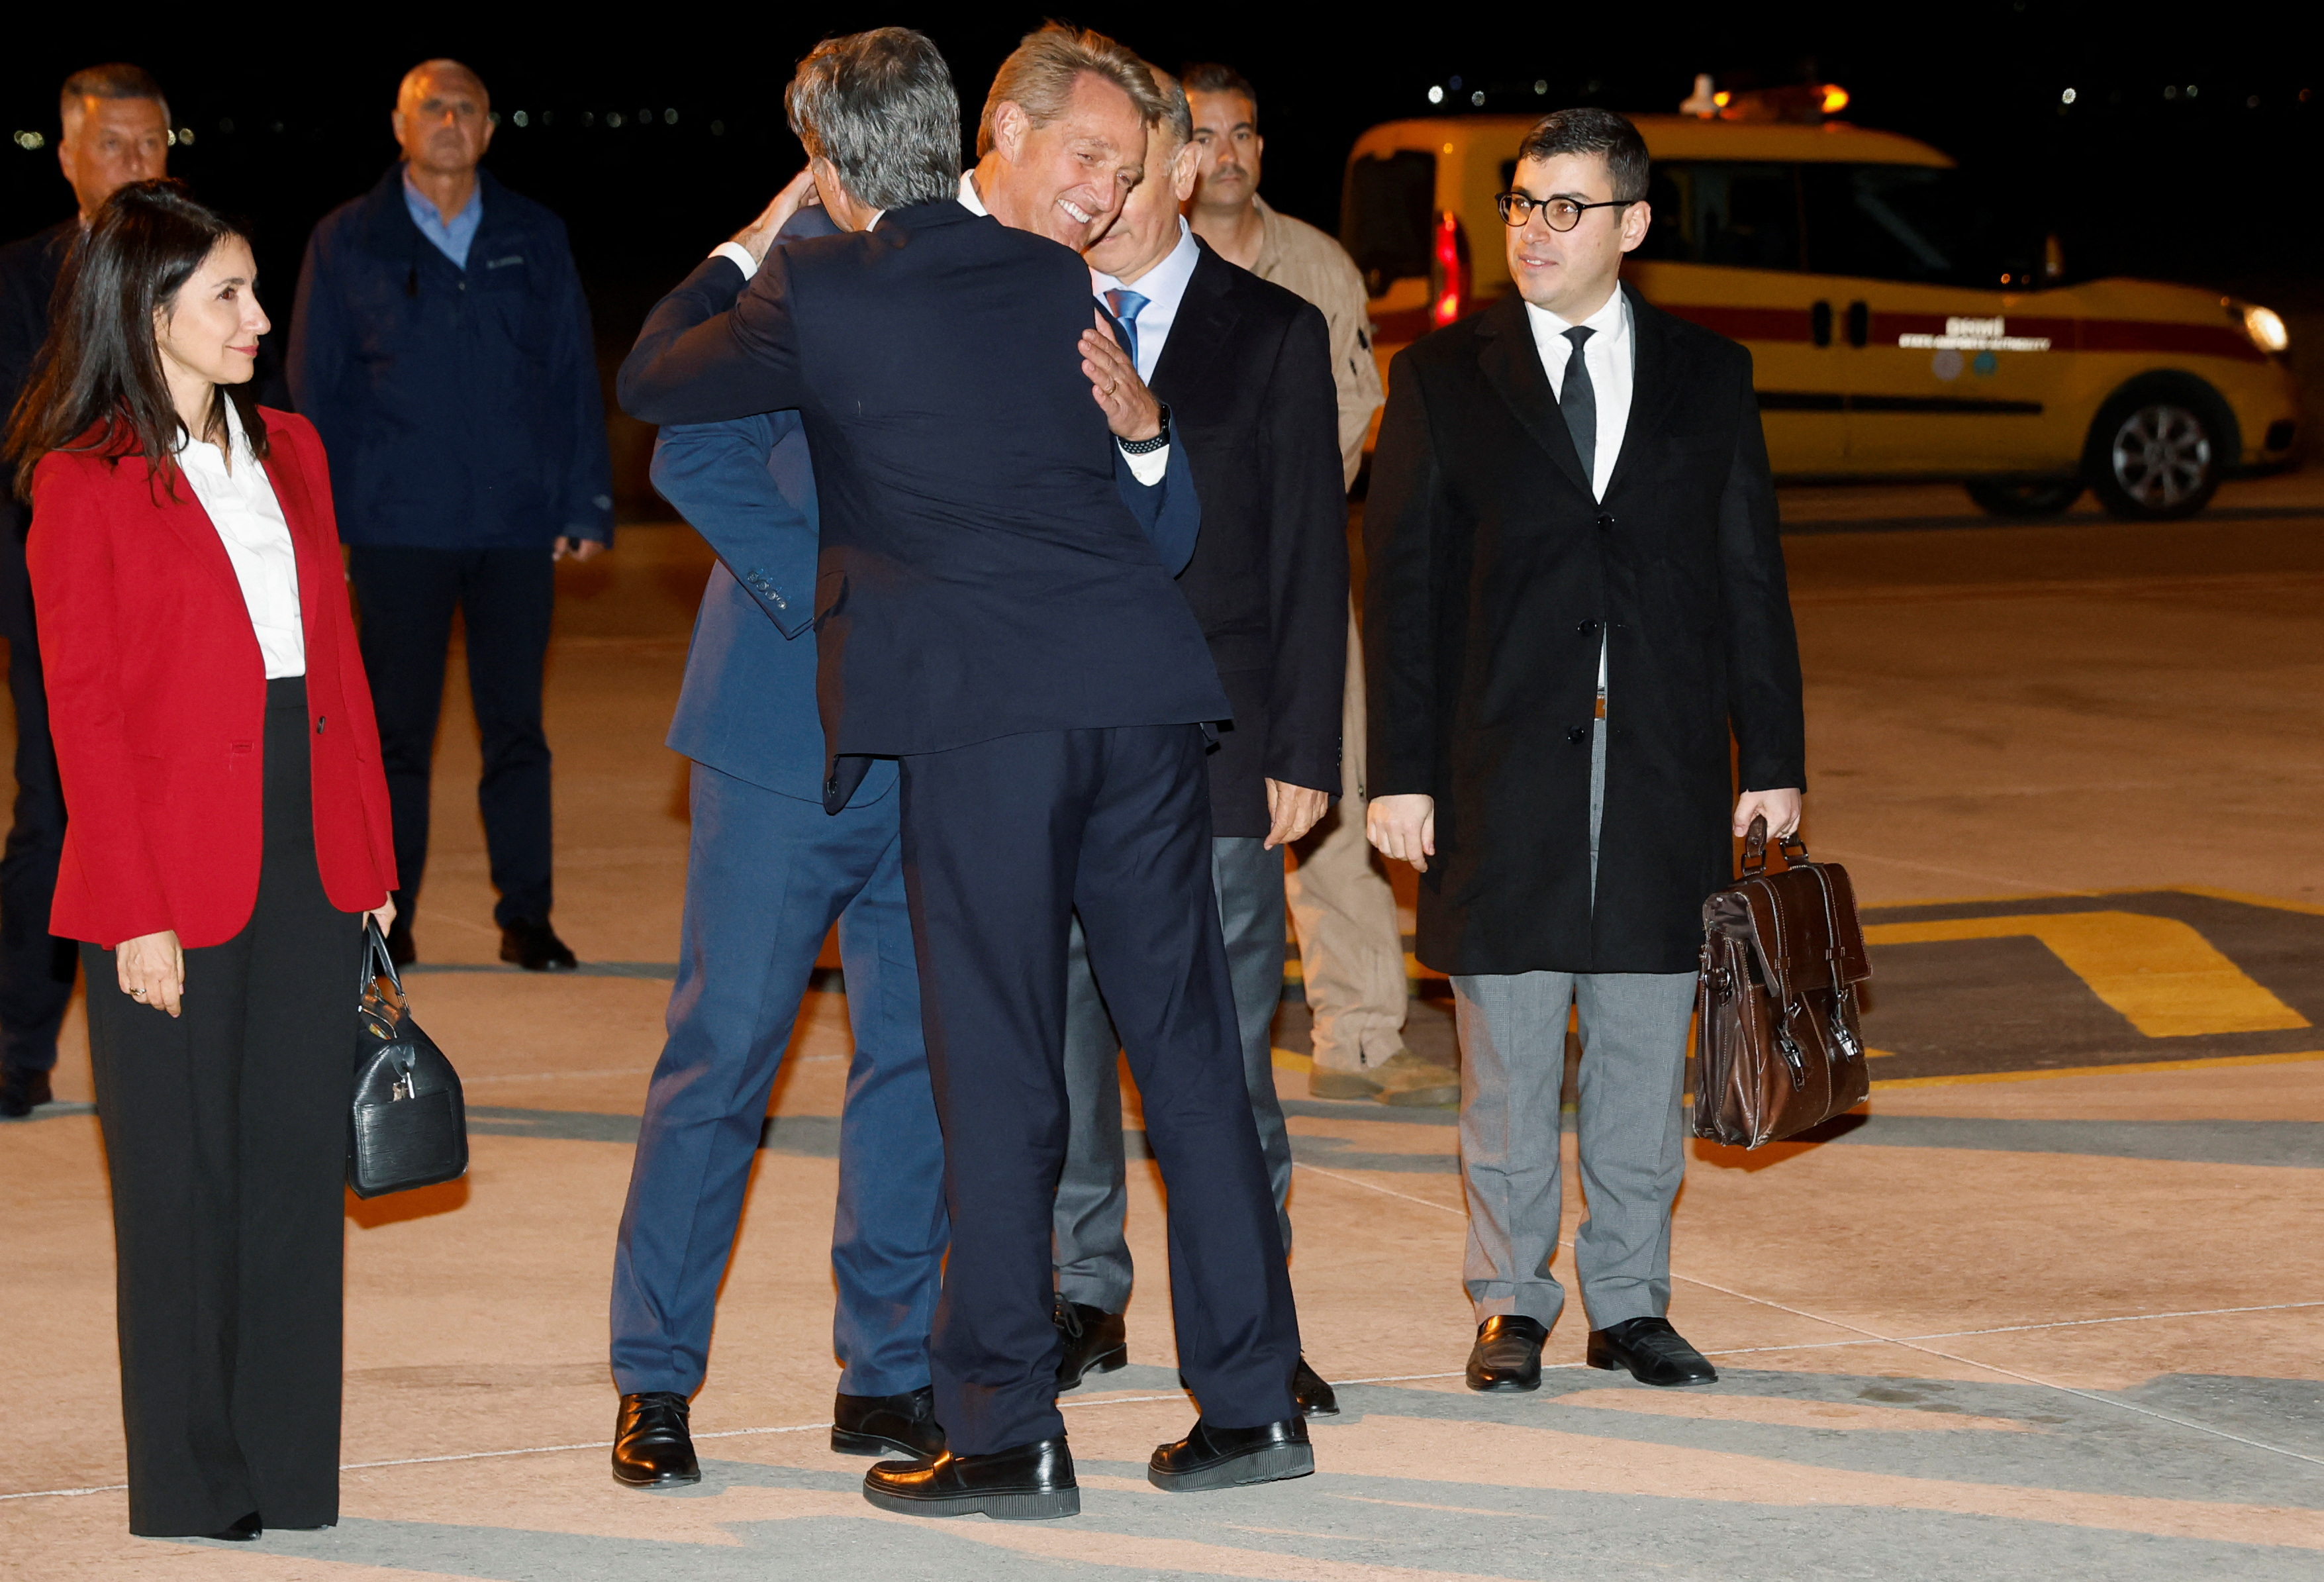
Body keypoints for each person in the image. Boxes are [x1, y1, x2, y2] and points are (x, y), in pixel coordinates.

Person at [620, 25, 1309, 1520]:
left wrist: (1147, 435)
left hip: (983, 722)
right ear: (987, 135)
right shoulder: (1045, 284)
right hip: (1123, 706)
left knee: (982, 1071)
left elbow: (653, 377)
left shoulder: (837, 280)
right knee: (1186, 1060)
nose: (1108, 196)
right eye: (1091, 163)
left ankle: (1000, 1430)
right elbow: (711, 455)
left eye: (1129, 175)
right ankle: (1253, 1403)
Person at [1363, 109, 1805, 1395]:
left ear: (1633, 225)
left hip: (1663, 765)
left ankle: (1630, 1298)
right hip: (1500, 767)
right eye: (1522, 203)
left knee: (1637, 1049)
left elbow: (1751, 579)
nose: (1536, 229)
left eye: (1567, 207)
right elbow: (1403, 594)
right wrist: (1401, 771)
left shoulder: (1708, 375)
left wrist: (1770, 756)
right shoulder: (1444, 376)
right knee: (1505, 1057)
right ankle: (1511, 1302)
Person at [4, 179, 397, 1540]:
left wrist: (368, 851)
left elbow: (333, 659)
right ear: (151, 311)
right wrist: (131, 910)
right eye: (228, 293)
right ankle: (189, 1483)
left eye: (252, 287)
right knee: (183, 1183)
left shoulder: (292, 447)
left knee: (294, 1165)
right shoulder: (80, 481)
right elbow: (84, 719)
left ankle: (290, 1471)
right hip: (163, 865)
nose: (260, 315)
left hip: (304, 843)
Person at [603, 198, 951, 1490]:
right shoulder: (794, 280)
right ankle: (655, 1374)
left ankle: (889, 1372)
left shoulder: (980, 282)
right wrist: (835, 595)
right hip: (774, 741)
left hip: (932, 749)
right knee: (722, 1057)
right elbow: (688, 453)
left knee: (916, 1064)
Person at [1054, 69, 1347, 1418]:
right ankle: (1082, 1292)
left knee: (1224, 1060)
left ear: (1175, 173)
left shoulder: (1273, 331)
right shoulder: (1026, 311)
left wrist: (1305, 745)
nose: (1097, 187)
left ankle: (1253, 1317)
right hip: (1053, 740)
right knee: (1062, 1041)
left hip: (1223, 745)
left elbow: (1307, 554)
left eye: (1124, 160)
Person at [287, 58, 610, 972]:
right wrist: (316, 525)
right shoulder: (348, 238)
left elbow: (569, 377)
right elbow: (317, 389)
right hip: (397, 524)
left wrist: (583, 496)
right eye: (432, 107)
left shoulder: (533, 234)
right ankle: (390, 919)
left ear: (489, 129)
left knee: (517, 728)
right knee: (395, 734)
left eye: (467, 108)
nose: (450, 120)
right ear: (399, 125)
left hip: (515, 522)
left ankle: (528, 916)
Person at [1182, 64, 1447, 1106]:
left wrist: (1262, 496)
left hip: (1295, 578)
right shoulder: (1131, 252)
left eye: (1243, 133)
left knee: (1328, 794)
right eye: (1204, 135)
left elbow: (1350, 416)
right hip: (1170, 591)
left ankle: (1363, 1033)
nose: (1227, 154)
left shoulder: (1319, 267)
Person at [0, 64, 171, 1118]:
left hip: (189, 583)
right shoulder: (24, 276)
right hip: (60, 578)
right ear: (67, 157)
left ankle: (170, 1032)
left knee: (188, 802)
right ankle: (22, 1036)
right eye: (115, 145)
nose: (139, 165)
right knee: (54, 809)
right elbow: (28, 425)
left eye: (154, 143)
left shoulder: (207, 268)